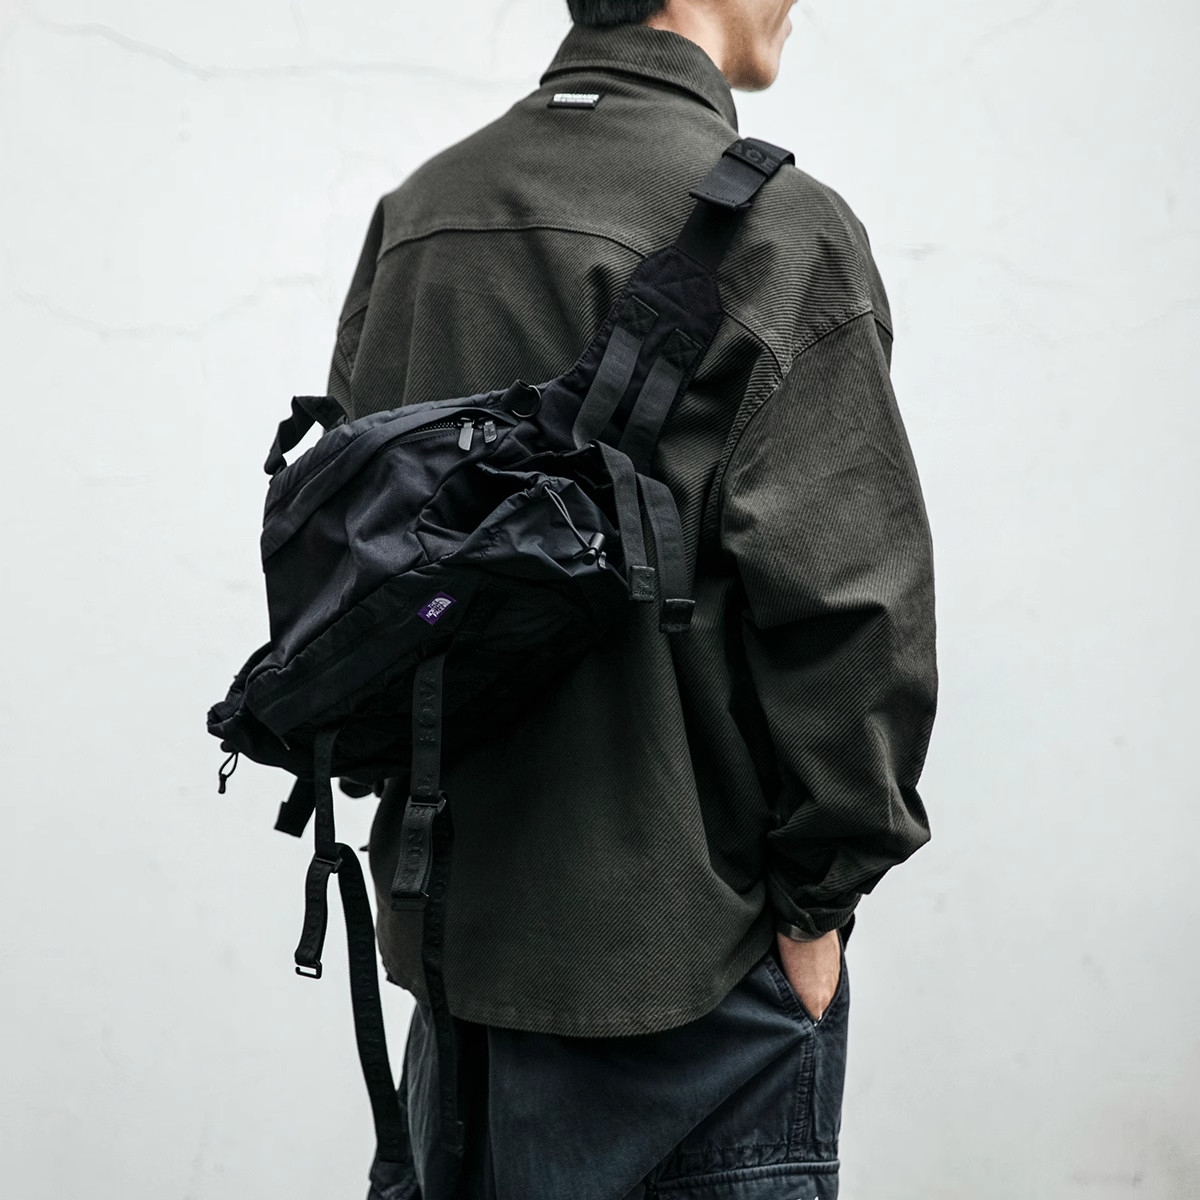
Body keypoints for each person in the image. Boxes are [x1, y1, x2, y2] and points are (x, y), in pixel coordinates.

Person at [328, 2, 938, 1197]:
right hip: (697, 987)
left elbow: (363, 570)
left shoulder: (421, 217)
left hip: (460, 971)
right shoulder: (780, 229)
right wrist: (818, 907)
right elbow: (855, 614)